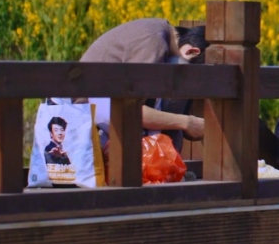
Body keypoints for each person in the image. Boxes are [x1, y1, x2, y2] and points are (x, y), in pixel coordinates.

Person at [76, 18, 209, 151]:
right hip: (84, 117)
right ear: (192, 51)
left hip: (99, 112)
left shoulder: (156, 30)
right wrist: (186, 123)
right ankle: (167, 168)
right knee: (180, 67)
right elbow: (130, 110)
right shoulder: (154, 43)